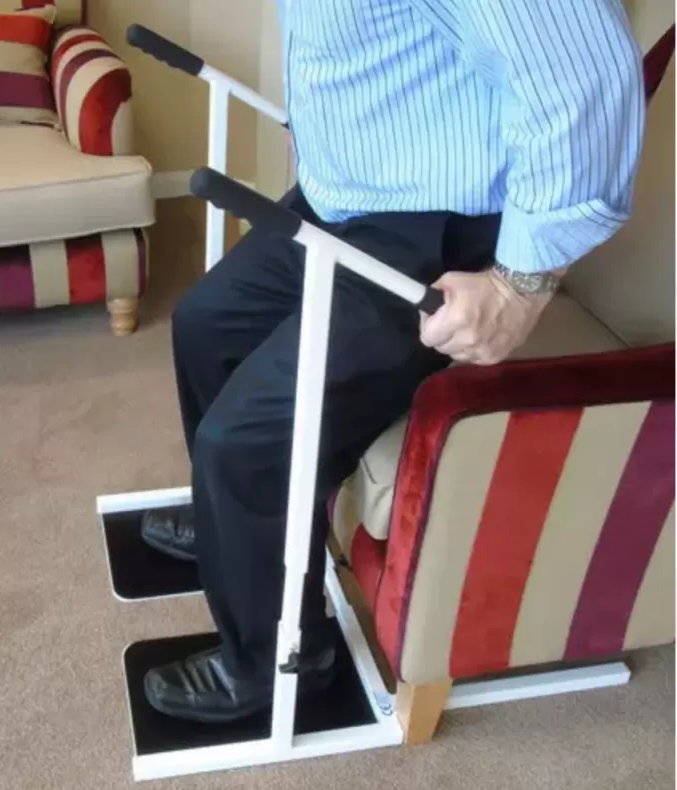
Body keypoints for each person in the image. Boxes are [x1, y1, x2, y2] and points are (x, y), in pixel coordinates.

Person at [141, 0, 645, 724]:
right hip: (346, 199)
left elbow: (585, 76)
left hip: (432, 229)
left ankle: (276, 668)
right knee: (205, 324)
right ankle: (243, 531)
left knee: (243, 445)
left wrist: (520, 286)